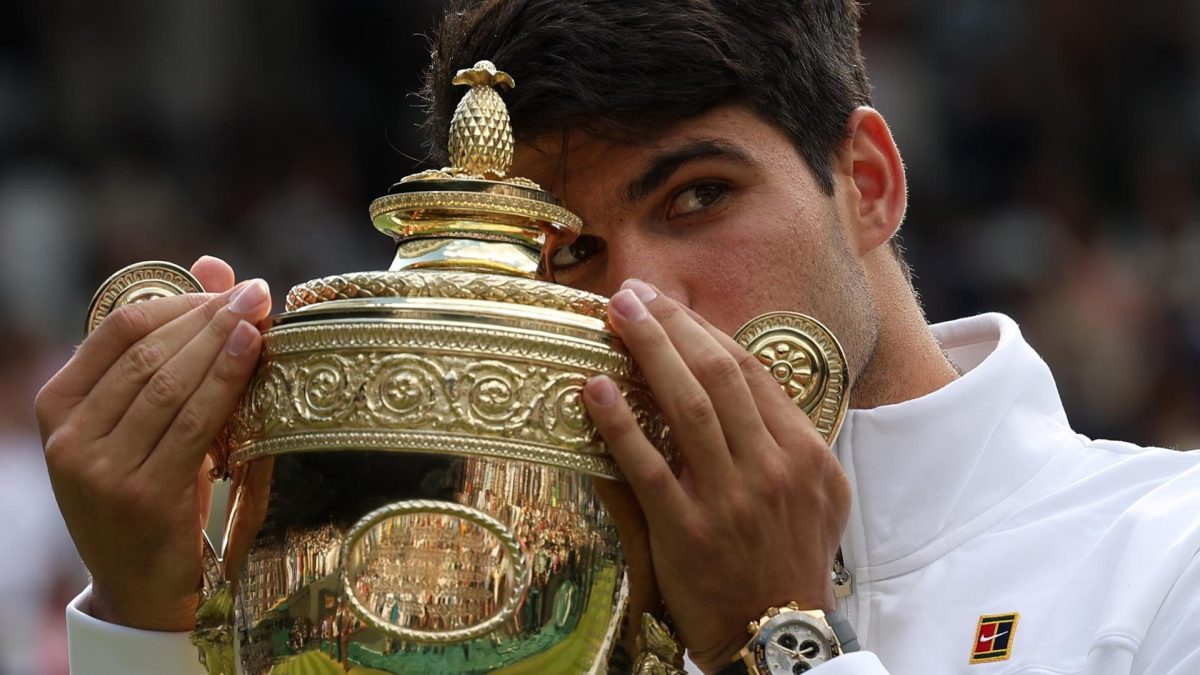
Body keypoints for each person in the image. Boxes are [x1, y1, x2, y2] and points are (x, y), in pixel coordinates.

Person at [35, 0, 1200, 673]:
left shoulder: (1165, 554)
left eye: (696, 196)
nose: (638, 302)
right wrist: (149, 614)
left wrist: (779, 643)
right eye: (571, 252)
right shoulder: (495, 591)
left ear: (870, 183)